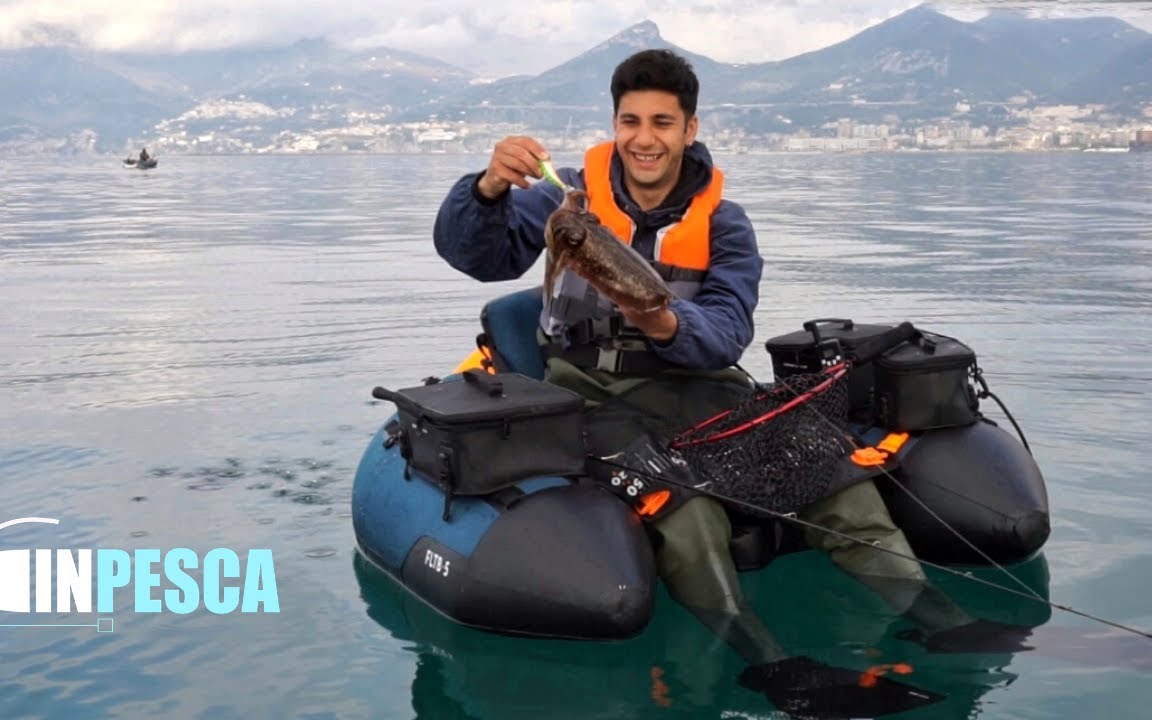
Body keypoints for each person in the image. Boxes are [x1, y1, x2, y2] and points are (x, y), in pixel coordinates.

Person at [433, 49, 1029, 714]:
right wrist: (486, 189)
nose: (643, 137)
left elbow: (726, 332)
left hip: (707, 388)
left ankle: (946, 623)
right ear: (613, 125)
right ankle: (769, 663)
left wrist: (659, 320)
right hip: (595, 395)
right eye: (630, 120)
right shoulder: (562, 199)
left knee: (838, 480)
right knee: (689, 516)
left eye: (662, 121)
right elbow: (475, 255)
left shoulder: (725, 223)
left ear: (690, 129)